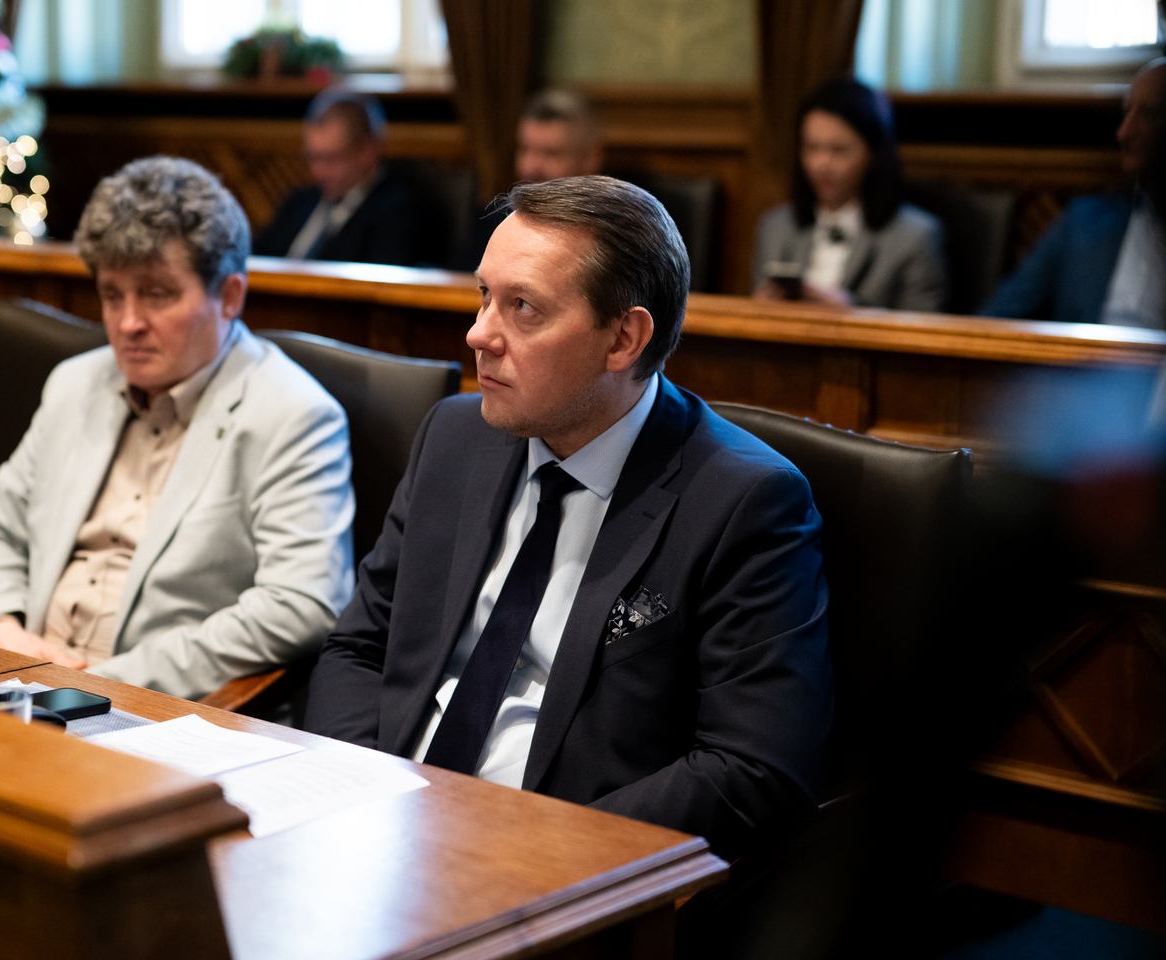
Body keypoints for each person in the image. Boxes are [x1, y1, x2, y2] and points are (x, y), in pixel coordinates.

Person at [305, 175, 831, 858]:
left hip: (565, 858)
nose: (478, 334)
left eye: (523, 307)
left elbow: (751, 769)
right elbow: (360, 648)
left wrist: (534, 849)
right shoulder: (454, 437)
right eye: (484, 296)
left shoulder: (743, 501)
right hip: (384, 823)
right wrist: (359, 799)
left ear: (624, 339)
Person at [0, 156, 355, 701]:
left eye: (157, 294)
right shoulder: (76, 384)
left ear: (229, 296)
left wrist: (103, 684)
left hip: (156, 707)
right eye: (112, 295)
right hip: (16, 679)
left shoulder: (292, 413)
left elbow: (302, 603)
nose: (128, 323)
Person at [981, 58, 1166, 328]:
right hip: (1084, 355)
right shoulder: (1083, 220)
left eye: (1149, 115)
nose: (1123, 133)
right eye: (1126, 113)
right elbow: (996, 318)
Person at [753, 77, 946, 312]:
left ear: (873, 154)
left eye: (839, 150)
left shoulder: (915, 235)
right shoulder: (776, 226)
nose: (821, 164)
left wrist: (852, 311)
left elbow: (924, 324)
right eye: (812, 148)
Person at [253, 89, 422, 266]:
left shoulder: (396, 210)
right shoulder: (300, 201)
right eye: (313, 157)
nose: (318, 172)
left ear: (368, 151)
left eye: (331, 159)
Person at [453, 89, 605, 270]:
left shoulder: (611, 224)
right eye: (525, 149)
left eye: (551, 153)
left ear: (590, 158)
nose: (531, 167)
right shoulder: (495, 216)